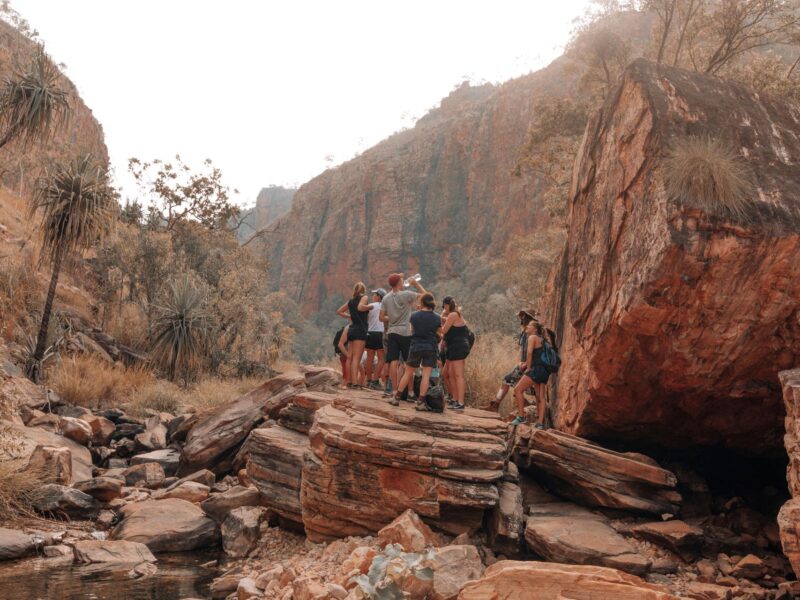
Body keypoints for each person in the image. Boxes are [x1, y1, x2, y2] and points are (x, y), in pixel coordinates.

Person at [380, 273, 427, 398]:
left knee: (393, 362)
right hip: (406, 333)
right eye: (402, 280)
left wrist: (392, 317)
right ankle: (411, 392)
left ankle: (394, 391)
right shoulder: (407, 295)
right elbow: (426, 296)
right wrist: (415, 284)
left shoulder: (385, 298)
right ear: (399, 283)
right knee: (408, 363)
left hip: (392, 332)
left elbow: (381, 318)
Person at [391, 292, 441, 408]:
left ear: (421, 303)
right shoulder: (437, 317)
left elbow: (411, 330)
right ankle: (420, 402)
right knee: (426, 375)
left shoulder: (413, 316)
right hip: (430, 347)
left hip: (416, 346)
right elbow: (439, 333)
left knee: (408, 372)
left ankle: (396, 397)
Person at [489, 309, 537, 412]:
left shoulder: (532, 333)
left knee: (509, 382)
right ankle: (496, 404)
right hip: (523, 364)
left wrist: (527, 364)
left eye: (523, 316)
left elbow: (532, 351)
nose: (521, 319)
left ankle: (496, 404)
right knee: (509, 382)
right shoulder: (524, 332)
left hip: (528, 365)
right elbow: (523, 349)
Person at [511, 320, 552, 427]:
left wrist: (528, 368)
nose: (527, 327)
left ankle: (521, 417)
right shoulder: (543, 340)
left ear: (535, 329)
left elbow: (529, 353)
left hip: (535, 370)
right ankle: (540, 423)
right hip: (544, 371)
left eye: (529, 326)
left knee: (518, 390)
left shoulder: (532, 337)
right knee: (540, 397)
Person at [336, 282, 371, 388]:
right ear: (363, 290)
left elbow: (339, 311)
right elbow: (361, 307)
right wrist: (370, 307)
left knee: (350, 358)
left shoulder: (350, 301)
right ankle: (355, 383)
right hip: (360, 330)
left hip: (352, 329)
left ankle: (349, 381)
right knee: (357, 359)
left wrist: (349, 316)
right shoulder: (364, 297)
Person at [440, 296, 470, 410]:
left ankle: (461, 403)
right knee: (450, 374)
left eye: (443, 306)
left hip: (458, 347)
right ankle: (455, 399)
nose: (443, 309)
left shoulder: (453, 315)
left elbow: (443, 331)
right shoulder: (453, 315)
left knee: (458, 375)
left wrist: (433, 322)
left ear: (447, 306)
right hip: (452, 347)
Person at [365, 288, 387, 390]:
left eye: (375, 294)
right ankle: (375, 380)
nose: (373, 296)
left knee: (370, 358)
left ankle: (368, 380)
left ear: (379, 296)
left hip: (370, 333)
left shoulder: (371, 306)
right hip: (380, 333)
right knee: (382, 359)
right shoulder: (385, 307)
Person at [333, 324, 349, 388]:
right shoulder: (348, 331)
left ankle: (344, 384)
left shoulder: (340, 332)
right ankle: (345, 384)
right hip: (346, 352)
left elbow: (334, 343)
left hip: (341, 353)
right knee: (346, 369)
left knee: (344, 369)